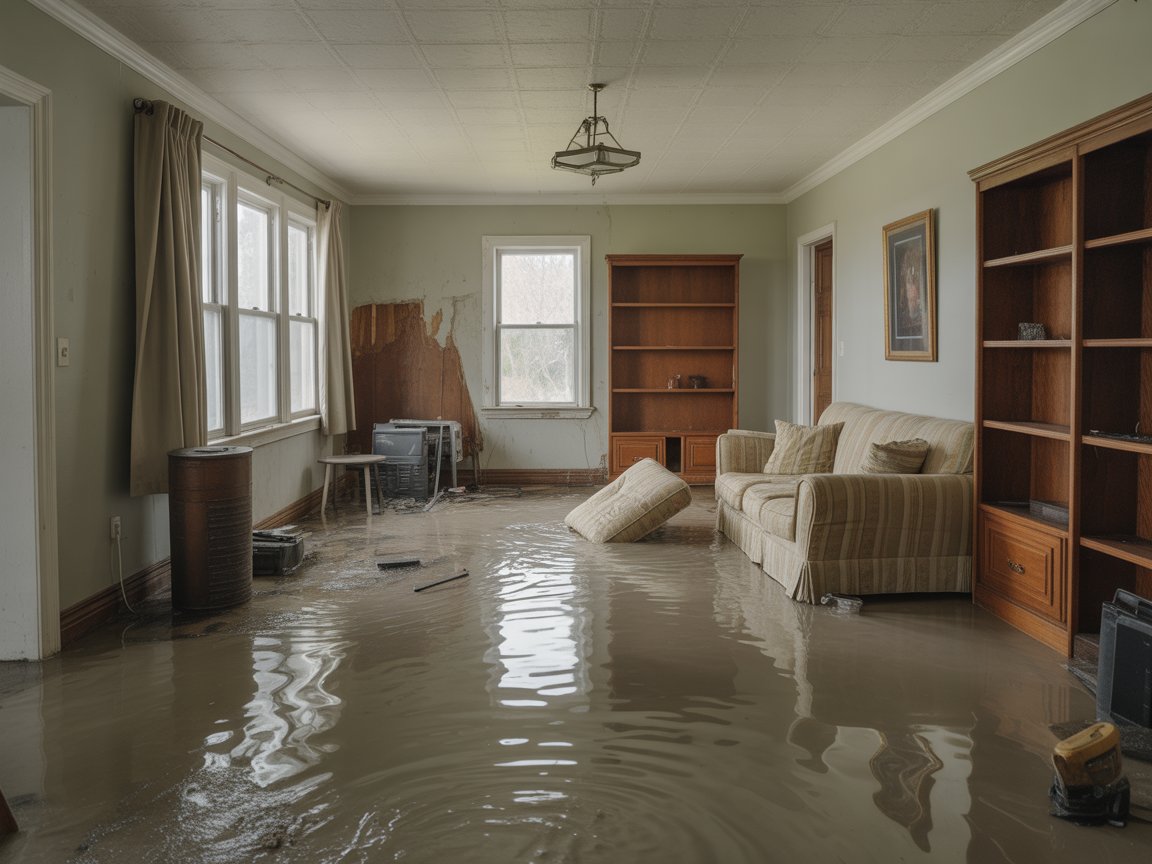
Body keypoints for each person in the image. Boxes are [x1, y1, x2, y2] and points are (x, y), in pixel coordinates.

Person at [895, 243, 924, 339]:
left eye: (916, 283)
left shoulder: (922, 319)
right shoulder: (902, 320)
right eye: (910, 283)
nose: (915, 289)